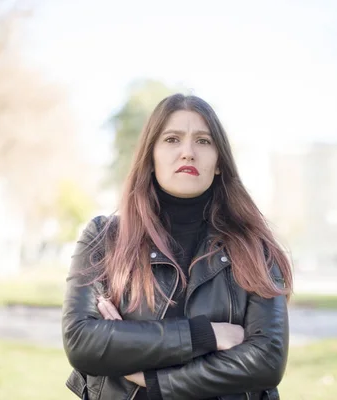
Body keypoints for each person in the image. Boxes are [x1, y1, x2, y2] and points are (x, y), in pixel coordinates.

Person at [62, 93, 293, 399]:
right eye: (172, 139)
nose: (188, 152)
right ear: (151, 156)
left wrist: (147, 374)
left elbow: (266, 361)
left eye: (203, 141)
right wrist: (207, 335)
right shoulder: (104, 238)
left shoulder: (255, 247)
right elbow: (82, 342)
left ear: (219, 162)